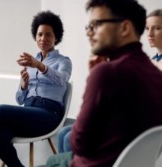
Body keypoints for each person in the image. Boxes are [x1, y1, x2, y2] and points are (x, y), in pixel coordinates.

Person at [45, 0, 162, 166]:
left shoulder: (107, 72)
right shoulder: (155, 73)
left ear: (125, 28)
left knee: (52, 160)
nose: (89, 32)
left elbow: (78, 143)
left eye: (96, 24)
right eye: (88, 26)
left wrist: (94, 76)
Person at [0, 10, 72, 167]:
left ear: (56, 37)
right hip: (29, 113)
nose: (43, 38)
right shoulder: (31, 62)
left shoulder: (63, 62)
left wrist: (39, 65)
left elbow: (62, 80)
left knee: (1, 111)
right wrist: (23, 86)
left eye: (48, 34)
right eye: (40, 34)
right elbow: (20, 99)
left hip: (49, 115)